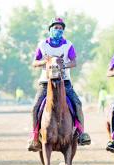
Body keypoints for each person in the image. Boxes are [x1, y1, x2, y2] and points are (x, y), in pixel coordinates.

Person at [27, 17, 91, 151]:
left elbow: (74, 62)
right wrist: (47, 63)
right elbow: (35, 62)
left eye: (61, 28)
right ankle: (34, 138)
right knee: (35, 107)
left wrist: (64, 65)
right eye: (56, 28)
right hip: (45, 83)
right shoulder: (42, 45)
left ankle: (81, 133)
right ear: (50, 29)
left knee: (78, 104)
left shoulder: (68, 45)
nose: (58, 30)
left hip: (64, 82)